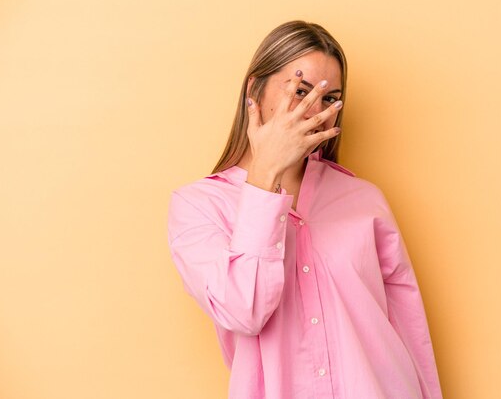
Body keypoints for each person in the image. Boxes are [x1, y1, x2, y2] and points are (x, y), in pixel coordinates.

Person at [167, 20, 443, 399]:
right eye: (301, 89)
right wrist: (266, 173)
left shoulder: (364, 200)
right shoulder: (198, 207)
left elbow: (410, 331)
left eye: (330, 99)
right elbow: (243, 312)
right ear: (254, 90)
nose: (316, 108)